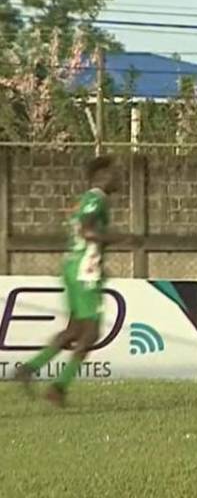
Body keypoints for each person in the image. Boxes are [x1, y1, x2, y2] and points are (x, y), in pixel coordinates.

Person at [14, 156, 135, 406]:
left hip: (74, 267)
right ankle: (58, 388)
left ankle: (30, 370)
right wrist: (122, 239)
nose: (120, 177)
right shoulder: (96, 199)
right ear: (102, 176)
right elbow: (88, 230)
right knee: (90, 334)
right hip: (84, 271)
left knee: (75, 330)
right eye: (116, 173)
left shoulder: (90, 199)